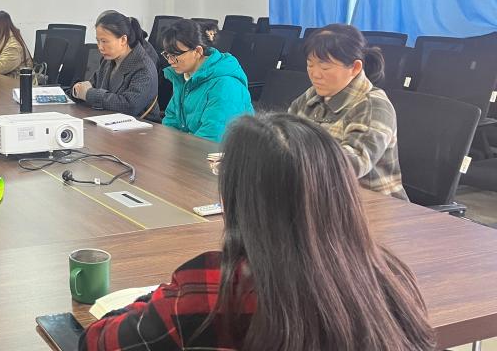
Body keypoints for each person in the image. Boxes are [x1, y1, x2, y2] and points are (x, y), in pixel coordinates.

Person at [80, 113, 435, 351]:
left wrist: (157, 296)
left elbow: (96, 342)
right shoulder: (390, 275)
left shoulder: (211, 286)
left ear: (237, 196)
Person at [288, 23, 407, 199]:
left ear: (355, 68)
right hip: (322, 195)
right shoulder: (311, 96)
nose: (315, 74)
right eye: (310, 65)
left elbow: (351, 164)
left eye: (325, 67)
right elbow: (284, 135)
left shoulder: (372, 105)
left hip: (371, 202)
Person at [159, 18, 253, 142]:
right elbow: (171, 122)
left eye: (175, 55)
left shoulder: (225, 85)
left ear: (197, 51)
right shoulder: (183, 78)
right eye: (167, 55)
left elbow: (212, 138)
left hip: (223, 152)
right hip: (191, 149)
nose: (170, 61)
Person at [71, 11, 159, 120]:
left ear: (123, 40)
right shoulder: (108, 60)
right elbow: (92, 85)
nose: (100, 47)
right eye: (98, 41)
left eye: (104, 41)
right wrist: (78, 89)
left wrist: (88, 94)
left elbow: (130, 106)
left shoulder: (143, 68)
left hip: (143, 126)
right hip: (108, 121)